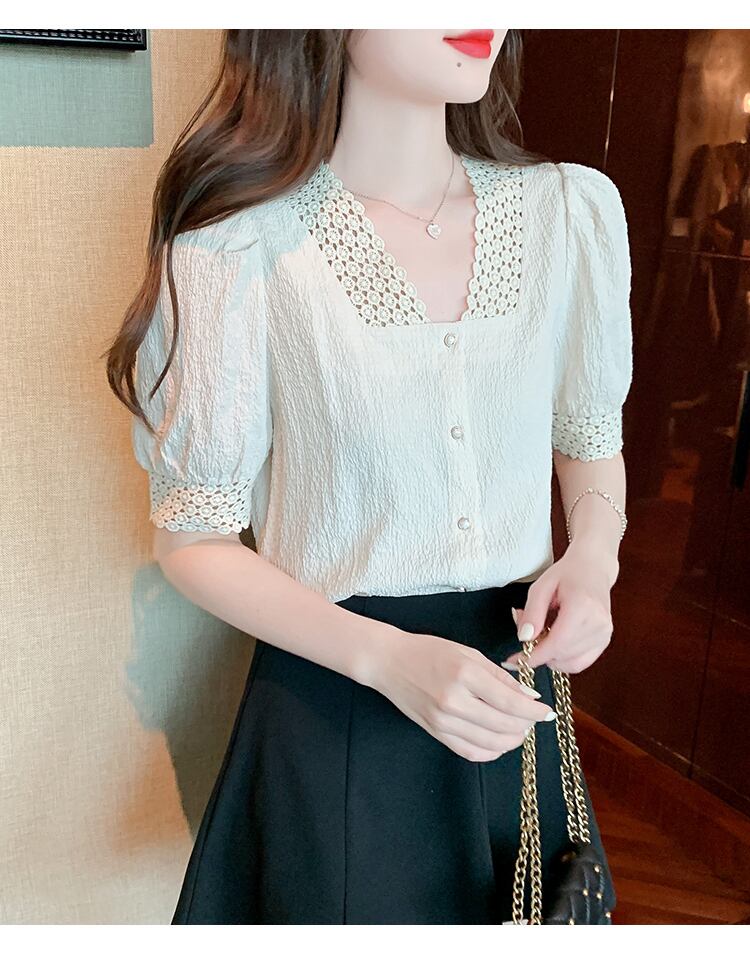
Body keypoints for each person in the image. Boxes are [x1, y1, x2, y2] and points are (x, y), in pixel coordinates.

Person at [105, 28, 632, 925]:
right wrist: (386, 659)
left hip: (513, 693)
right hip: (334, 700)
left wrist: (594, 559)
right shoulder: (239, 243)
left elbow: (586, 433)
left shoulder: (566, 212)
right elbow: (192, 539)